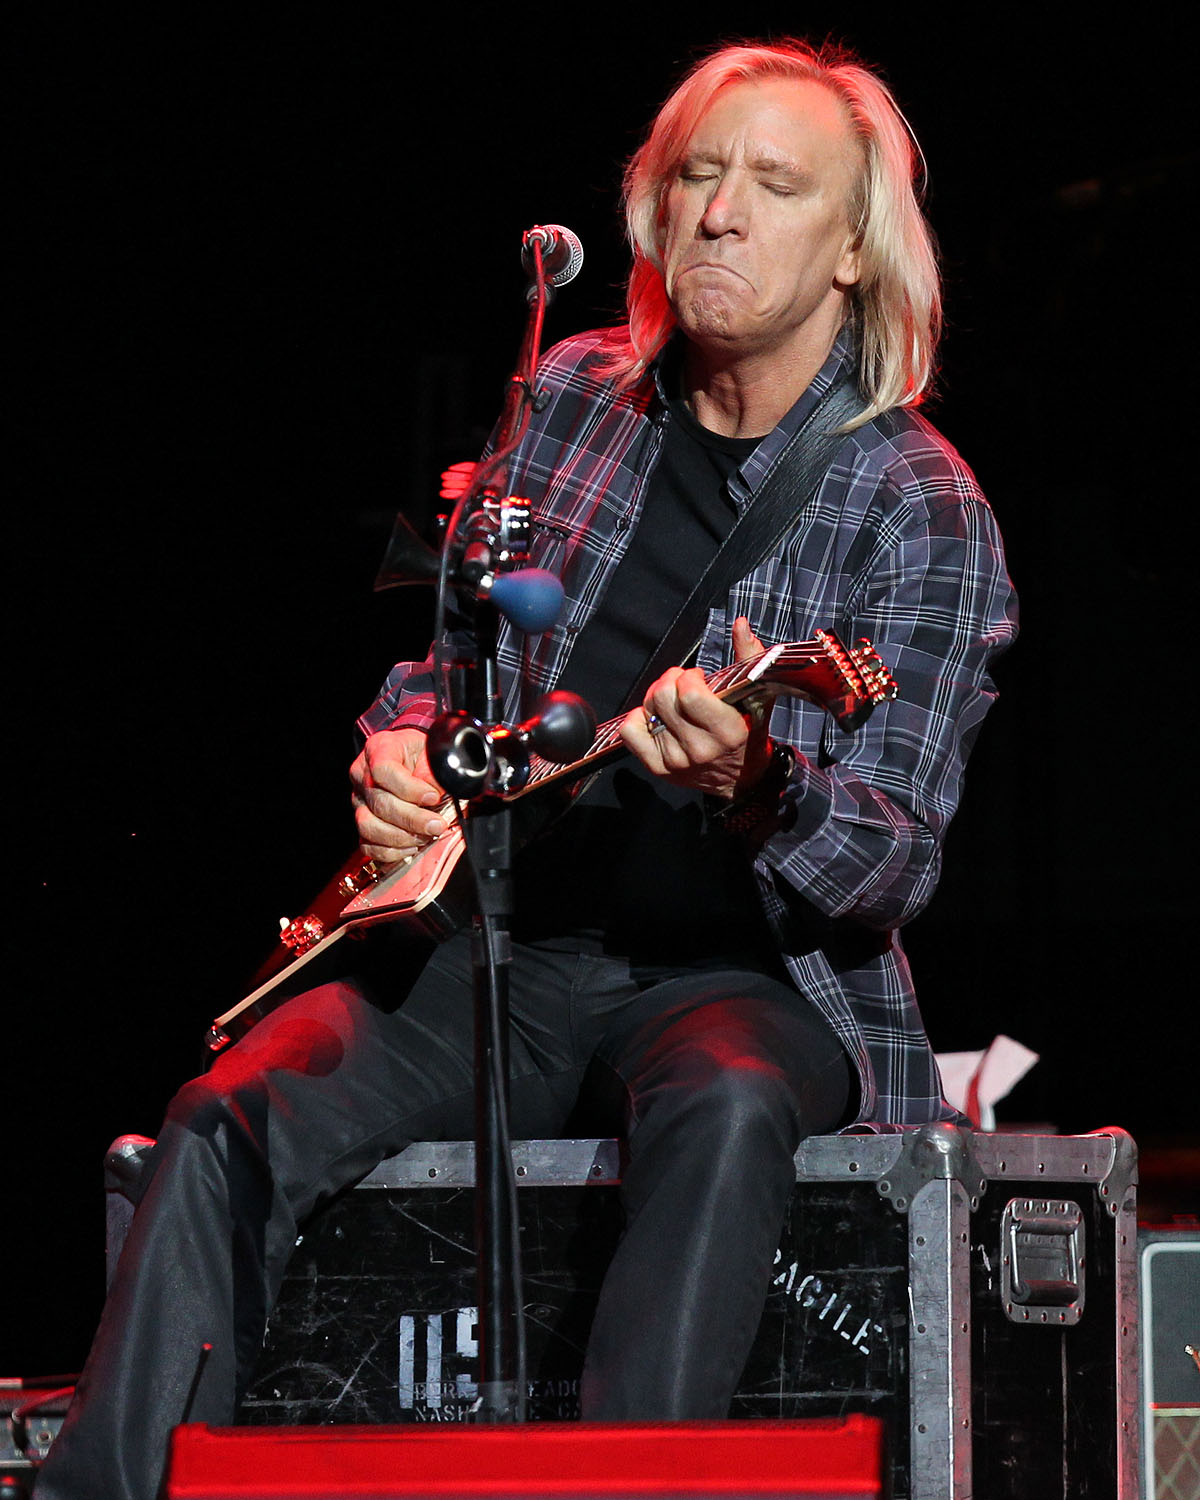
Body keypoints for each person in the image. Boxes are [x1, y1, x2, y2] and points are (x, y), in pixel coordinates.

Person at [36, 36, 1017, 1499]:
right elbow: (450, 663)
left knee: (729, 1104)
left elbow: (895, 860)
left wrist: (757, 783)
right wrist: (398, 754)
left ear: (856, 252)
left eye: (774, 184)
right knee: (223, 1113)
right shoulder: (570, 398)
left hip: (737, 979)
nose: (721, 213)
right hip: (490, 947)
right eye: (697, 175)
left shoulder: (920, 505)